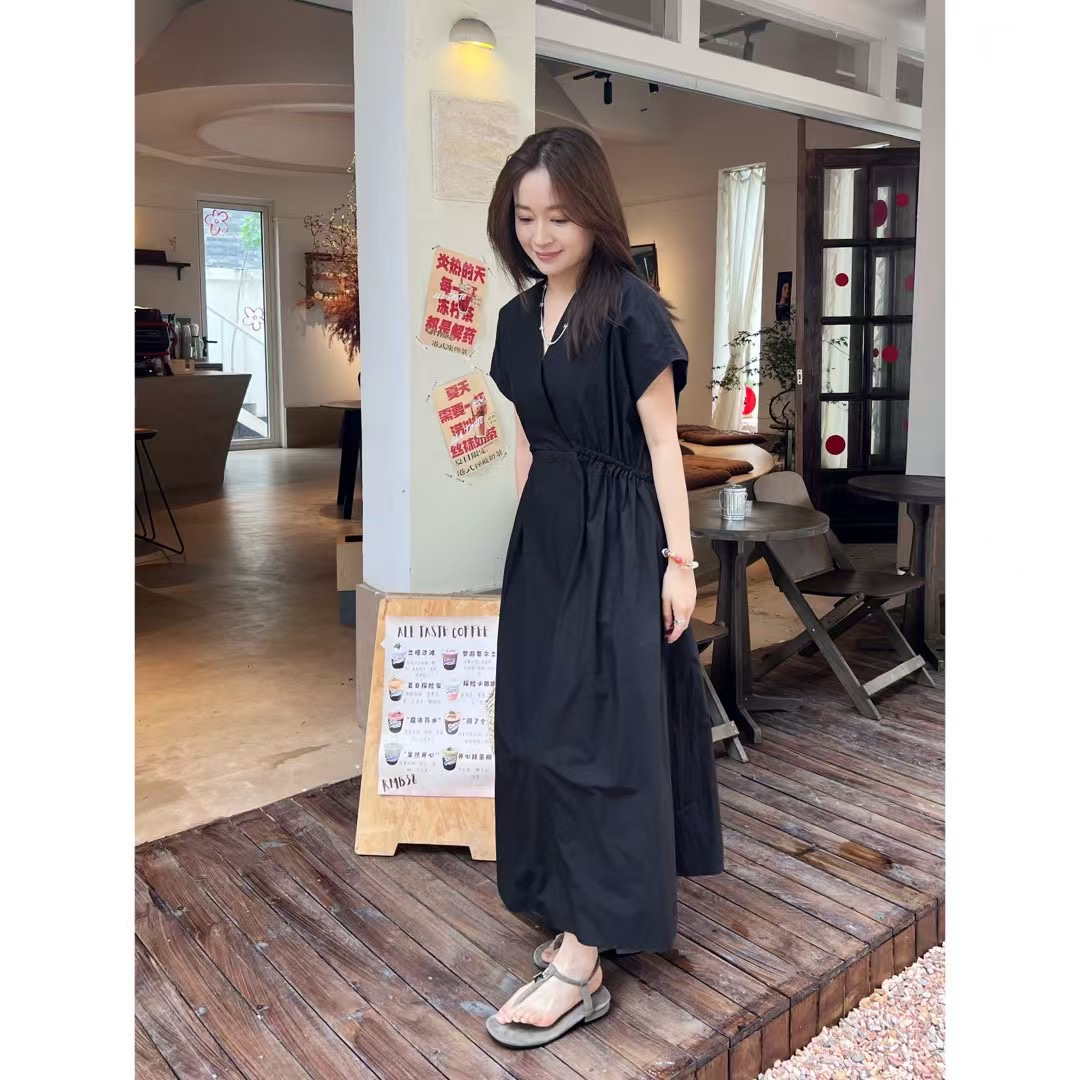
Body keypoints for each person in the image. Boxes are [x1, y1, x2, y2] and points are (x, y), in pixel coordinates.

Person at [483, 127, 724, 1050]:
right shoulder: (517, 319)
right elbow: (526, 442)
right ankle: (571, 905)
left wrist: (679, 563)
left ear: (595, 214)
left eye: (560, 215)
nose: (542, 234)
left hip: (622, 539)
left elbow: (663, 443)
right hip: (546, 545)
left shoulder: (629, 309)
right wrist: (529, 547)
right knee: (537, 729)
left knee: (599, 737)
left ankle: (583, 959)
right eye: (525, 217)